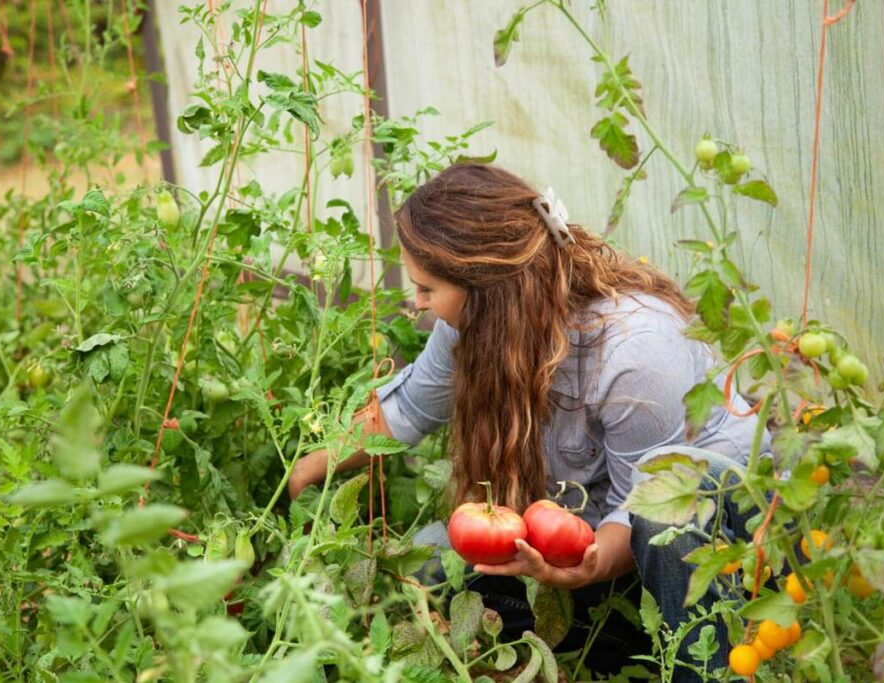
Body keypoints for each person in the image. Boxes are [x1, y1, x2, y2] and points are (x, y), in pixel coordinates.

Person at [287, 164, 770, 680]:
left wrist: (581, 569)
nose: (418, 304)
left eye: (427, 288)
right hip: (578, 546)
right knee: (426, 566)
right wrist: (305, 471)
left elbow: (642, 510)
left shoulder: (636, 353)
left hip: (707, 547)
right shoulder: (474, 327)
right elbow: (407, 409)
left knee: (669, 522)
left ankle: (703, 668)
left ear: (487, 289)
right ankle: (598, 653)